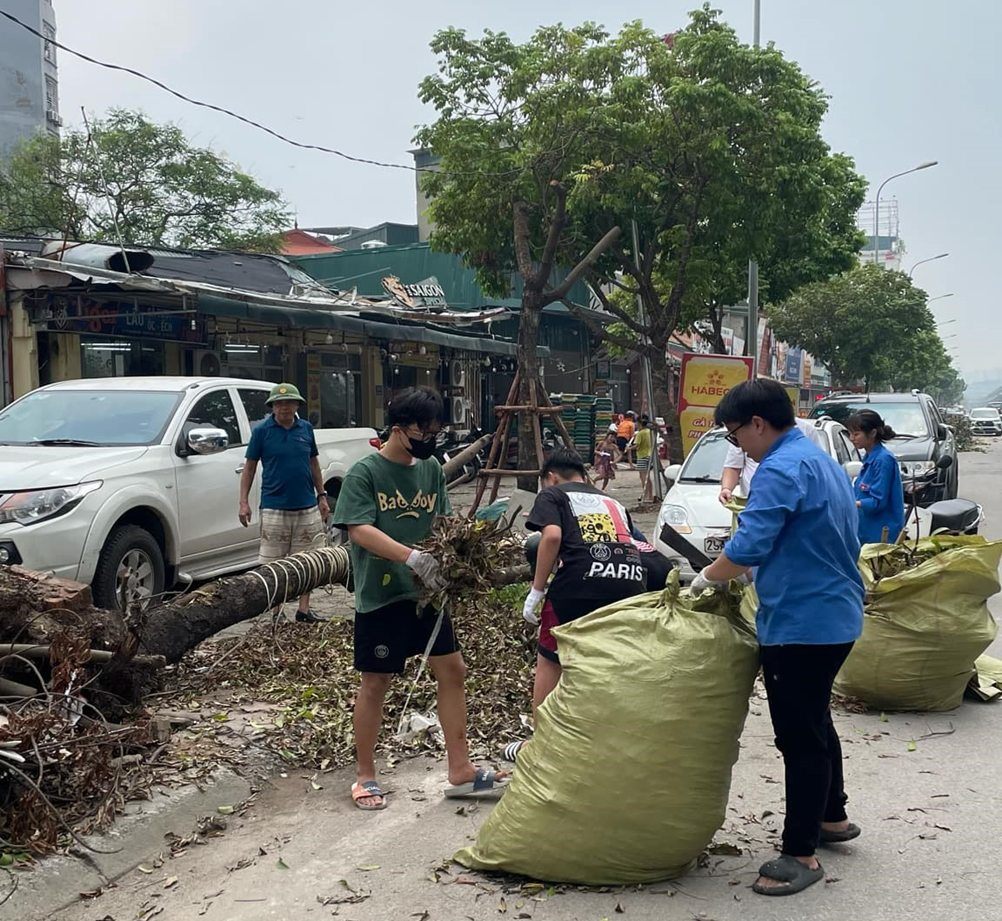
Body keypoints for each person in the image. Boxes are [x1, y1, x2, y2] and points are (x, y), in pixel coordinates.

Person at [691, 380, 864, 898]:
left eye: (736, 432)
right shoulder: (819, 462)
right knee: (815, 719)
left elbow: (750, 543)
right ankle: (831, 818)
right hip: (835, 615)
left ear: (758, 424)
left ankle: (801, 853)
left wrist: (710, 576)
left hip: (802, 624)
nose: (737, 444)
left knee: (799, 736)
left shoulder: (779, 469)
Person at [333, 387, 506, 810]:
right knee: (377, 681)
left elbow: (441, 522)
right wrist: (410, 555)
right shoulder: (365, 473)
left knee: (453, 670)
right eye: (424, 430)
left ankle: (461, 770)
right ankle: (365, 776)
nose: (430, 438)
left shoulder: (429, 467)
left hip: (428, 594)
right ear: (398, 429)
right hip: (382, 593)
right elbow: (357, 528)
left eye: (436, 430)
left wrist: (461, 548)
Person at [503, 449, 647, 761]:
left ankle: (539, 745)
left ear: (550, 477)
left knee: (550, 659)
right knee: (607, 663)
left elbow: (551, 537)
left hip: (579, 584)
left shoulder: (553, 494)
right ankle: (609, 740)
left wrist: (536, 590)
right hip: (629, 584)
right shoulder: (613, 502)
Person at [239, 383, 328, 623]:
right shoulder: (262, 432)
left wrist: (321, 496)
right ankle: (277, 612)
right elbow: (249, 468)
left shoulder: (306, 429)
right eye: (279, 403)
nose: (284, 407)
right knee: (274, 563)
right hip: (274, 506)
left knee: (308, 560)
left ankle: (304, 609)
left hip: (307, 506)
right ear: (272, 407)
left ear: (297, 405)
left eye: (289, 402)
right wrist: (243, 502)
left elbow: (314, 465)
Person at [718, 416, 826, 505]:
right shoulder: (834, 471)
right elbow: (733, 466)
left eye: (735, 436)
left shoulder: (770, 472)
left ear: (758, 425)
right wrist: (726, 489)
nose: (741, 447)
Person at [846, 410, 905, 544]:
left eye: (856, 434)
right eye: (850, 433)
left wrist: (850, 504)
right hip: (865, 531)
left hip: (880, 534)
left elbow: (877, 502)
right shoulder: (868, 457)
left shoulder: (883, 460)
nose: (851, 438)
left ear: (872, 433)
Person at [631, 414, 655, 503]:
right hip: (649, 455)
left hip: (642, 456)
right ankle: (650, 495)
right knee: (647, 477)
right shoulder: (649, 432)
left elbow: (636, 445)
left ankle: (645, 495)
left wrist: (628, 448)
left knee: (643, 477)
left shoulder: (640, 433)